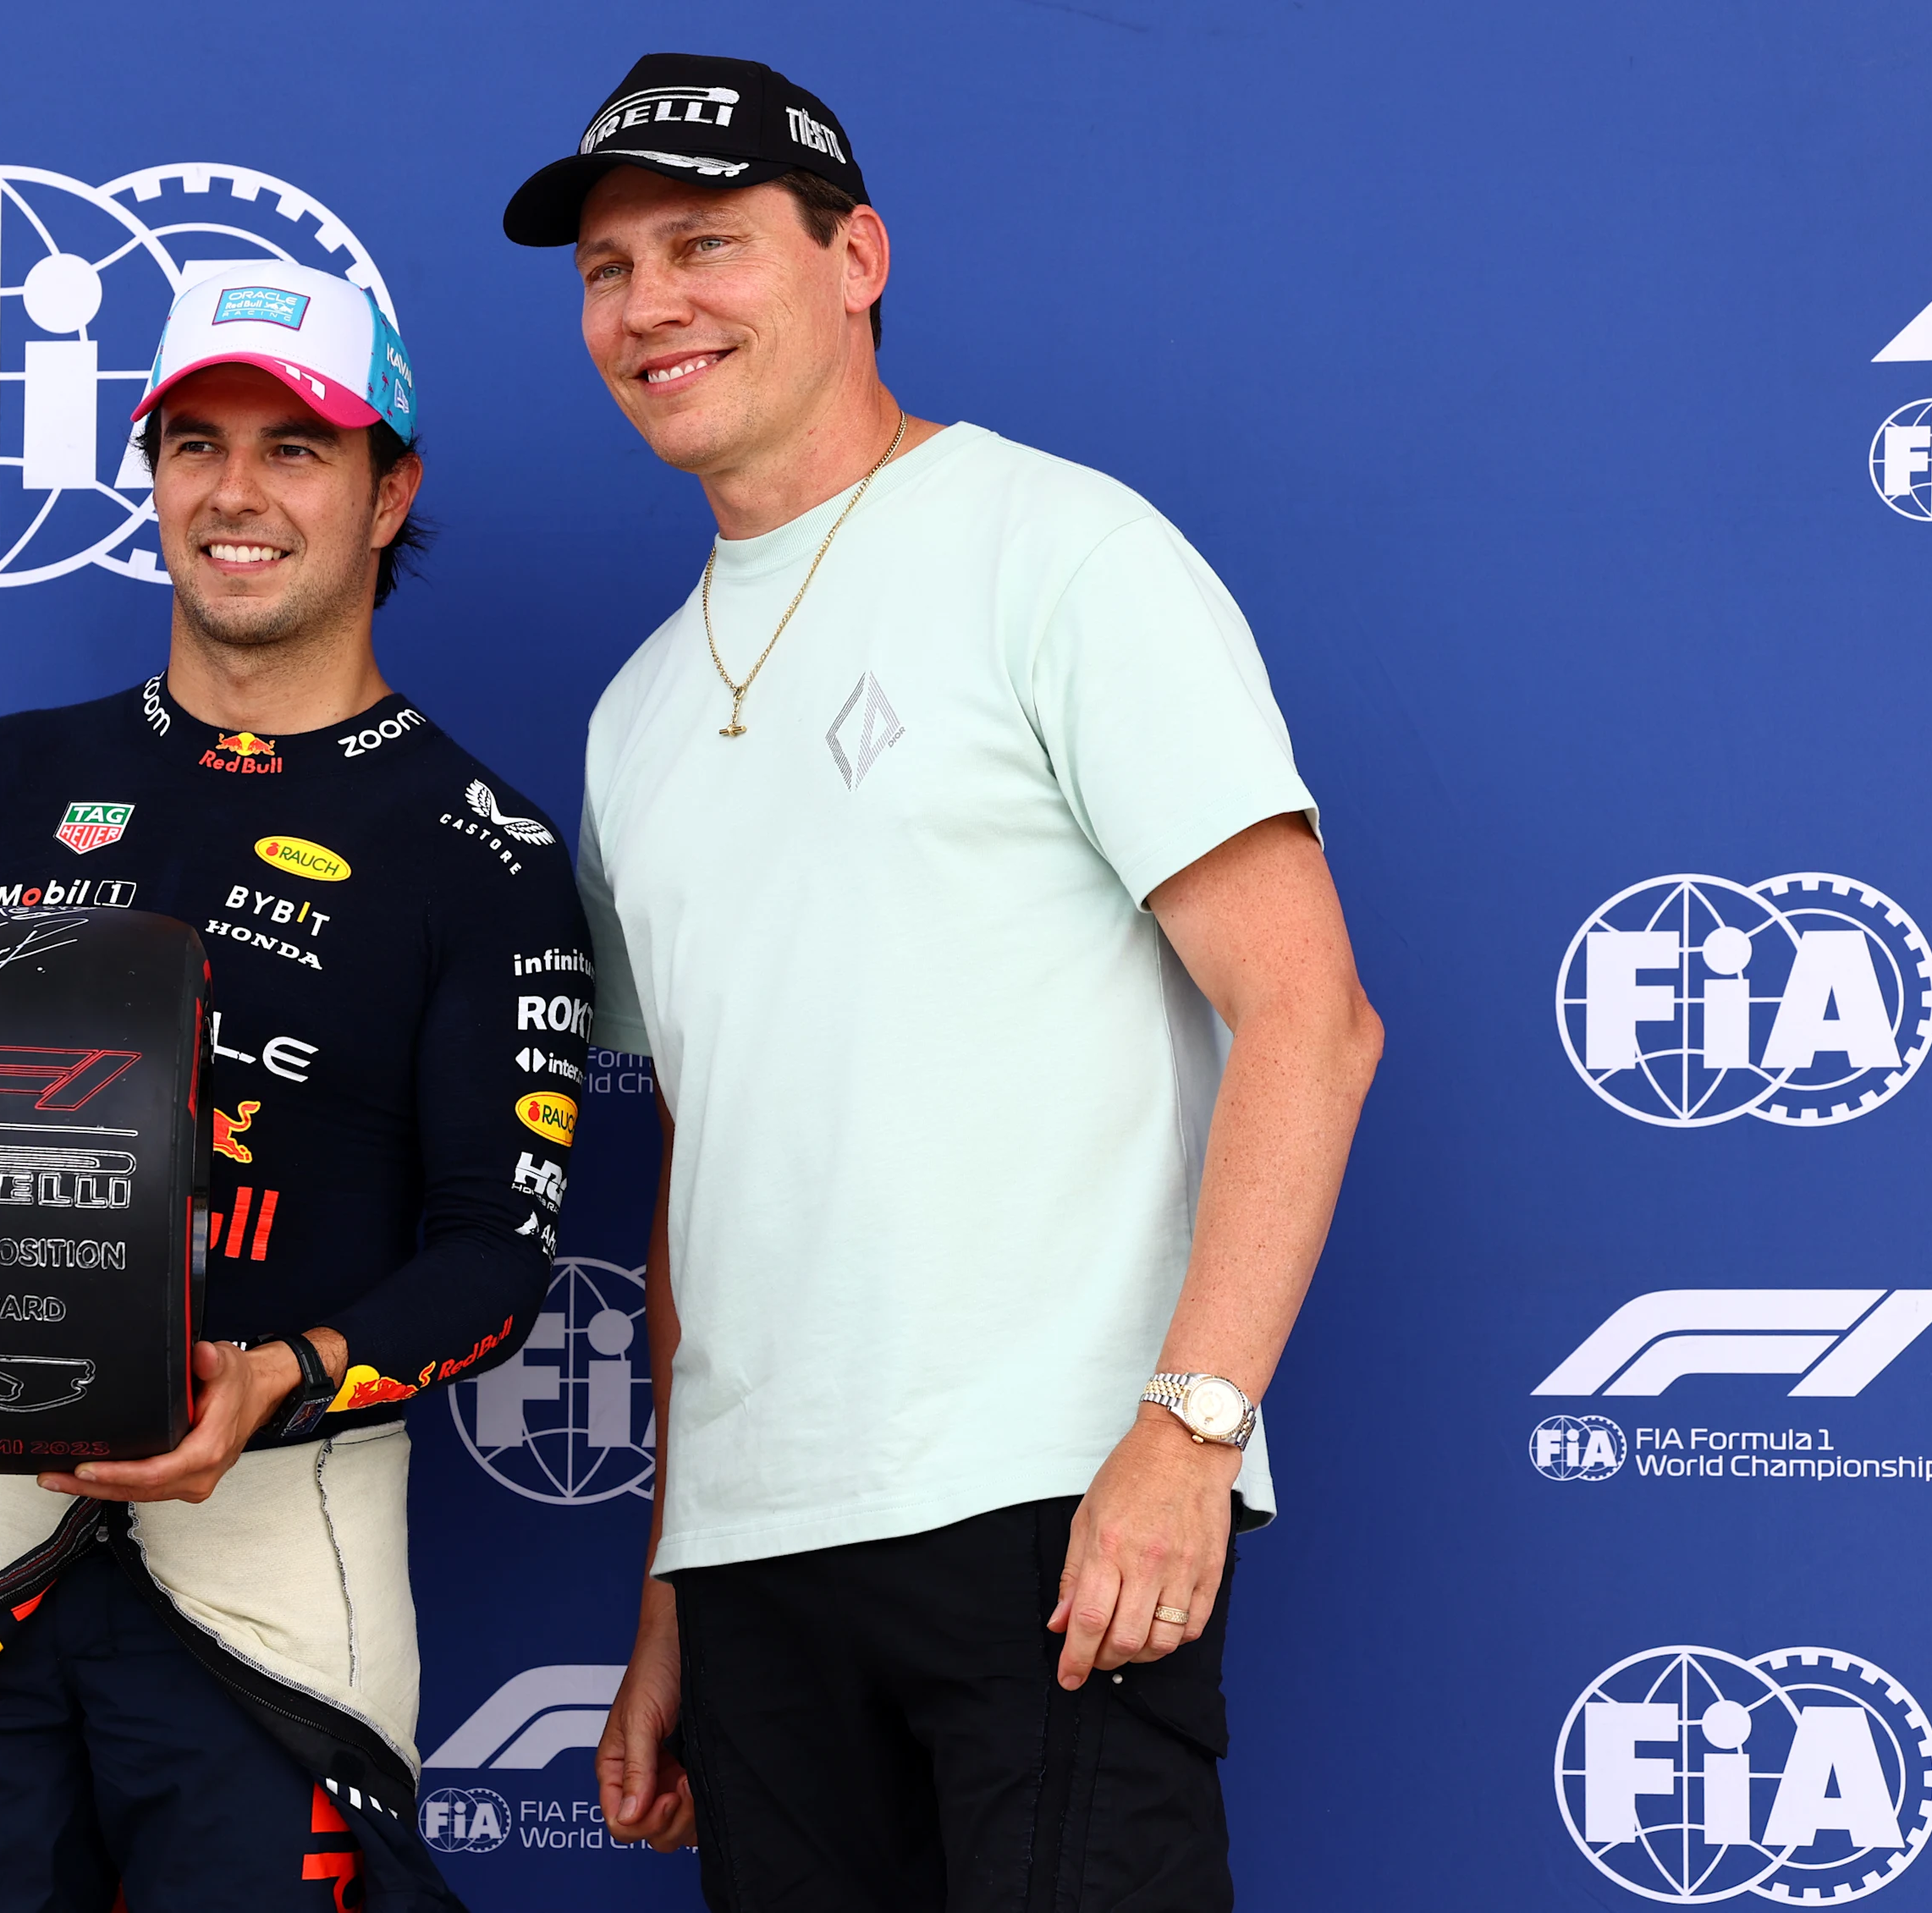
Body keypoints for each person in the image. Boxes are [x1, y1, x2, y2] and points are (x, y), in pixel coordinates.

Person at [503, 54, 1384, 1912]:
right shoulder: (634, 713)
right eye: (607, 268)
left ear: (855, 257)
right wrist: (672, 1573)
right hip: (757, 1563)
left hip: (1052, 1509)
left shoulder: (1056, 549)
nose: (650, 303)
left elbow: (1310, 1012)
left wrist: (1189, 1430)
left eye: (706, 245)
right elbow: (702, 1161)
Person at [0, 259, 591, 1913]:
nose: (236, 493)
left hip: (282, 1556)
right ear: (149, 471)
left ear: (389, 490)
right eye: (196, 442)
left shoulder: (481, 849)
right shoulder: (10, 777)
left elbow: (495, 1260)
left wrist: (270, 1380)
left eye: (296, 449)